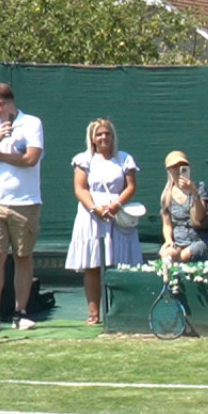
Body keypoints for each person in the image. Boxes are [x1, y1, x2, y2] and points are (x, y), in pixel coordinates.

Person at [0, 83, 44, 335]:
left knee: (23, 257)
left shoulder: (32, 123)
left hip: (26, 203)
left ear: (0, 103)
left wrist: (1, 157)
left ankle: (20, 313)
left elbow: (30, 159)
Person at [64, 119, 143, 324]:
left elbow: (130, 187)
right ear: (92, 138)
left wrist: (116, 205)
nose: (104, 137)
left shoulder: (124, 159)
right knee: (93, 265)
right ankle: (94, 314)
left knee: (120, 264)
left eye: (107, 133)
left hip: (118, 216)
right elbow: (80, 188)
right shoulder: (84, 159)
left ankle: (121, 311)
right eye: (99, 134)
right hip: (91, 216)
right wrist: (94, 208)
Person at [159, 150, 208, 263]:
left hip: (199, 240)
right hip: (178, 242)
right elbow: (167, 224)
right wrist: (168, 240)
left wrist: (193, 191)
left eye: (182, 166)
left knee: (185, 255)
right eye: (174, 167)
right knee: (167, 255)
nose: (178, 170)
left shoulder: (199, 187)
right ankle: (168, 279)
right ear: (169, 170)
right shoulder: (166, 195)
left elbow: (200, 217)